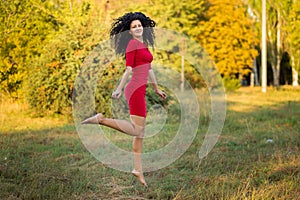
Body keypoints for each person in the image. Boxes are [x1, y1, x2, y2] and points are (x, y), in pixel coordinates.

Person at [81, 12, 166, 187]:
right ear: (129, 31)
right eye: (134, 26)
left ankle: (137, 169)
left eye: (139, 25)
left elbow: (149, 69)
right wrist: (119, 89)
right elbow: (128, 70)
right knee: (137, 131)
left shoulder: (144, 45)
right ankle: (101, 119)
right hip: (134, 89)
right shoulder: (132, 45)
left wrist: (156, 88)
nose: (138, 28)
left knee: (140, 133)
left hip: (141, 89)